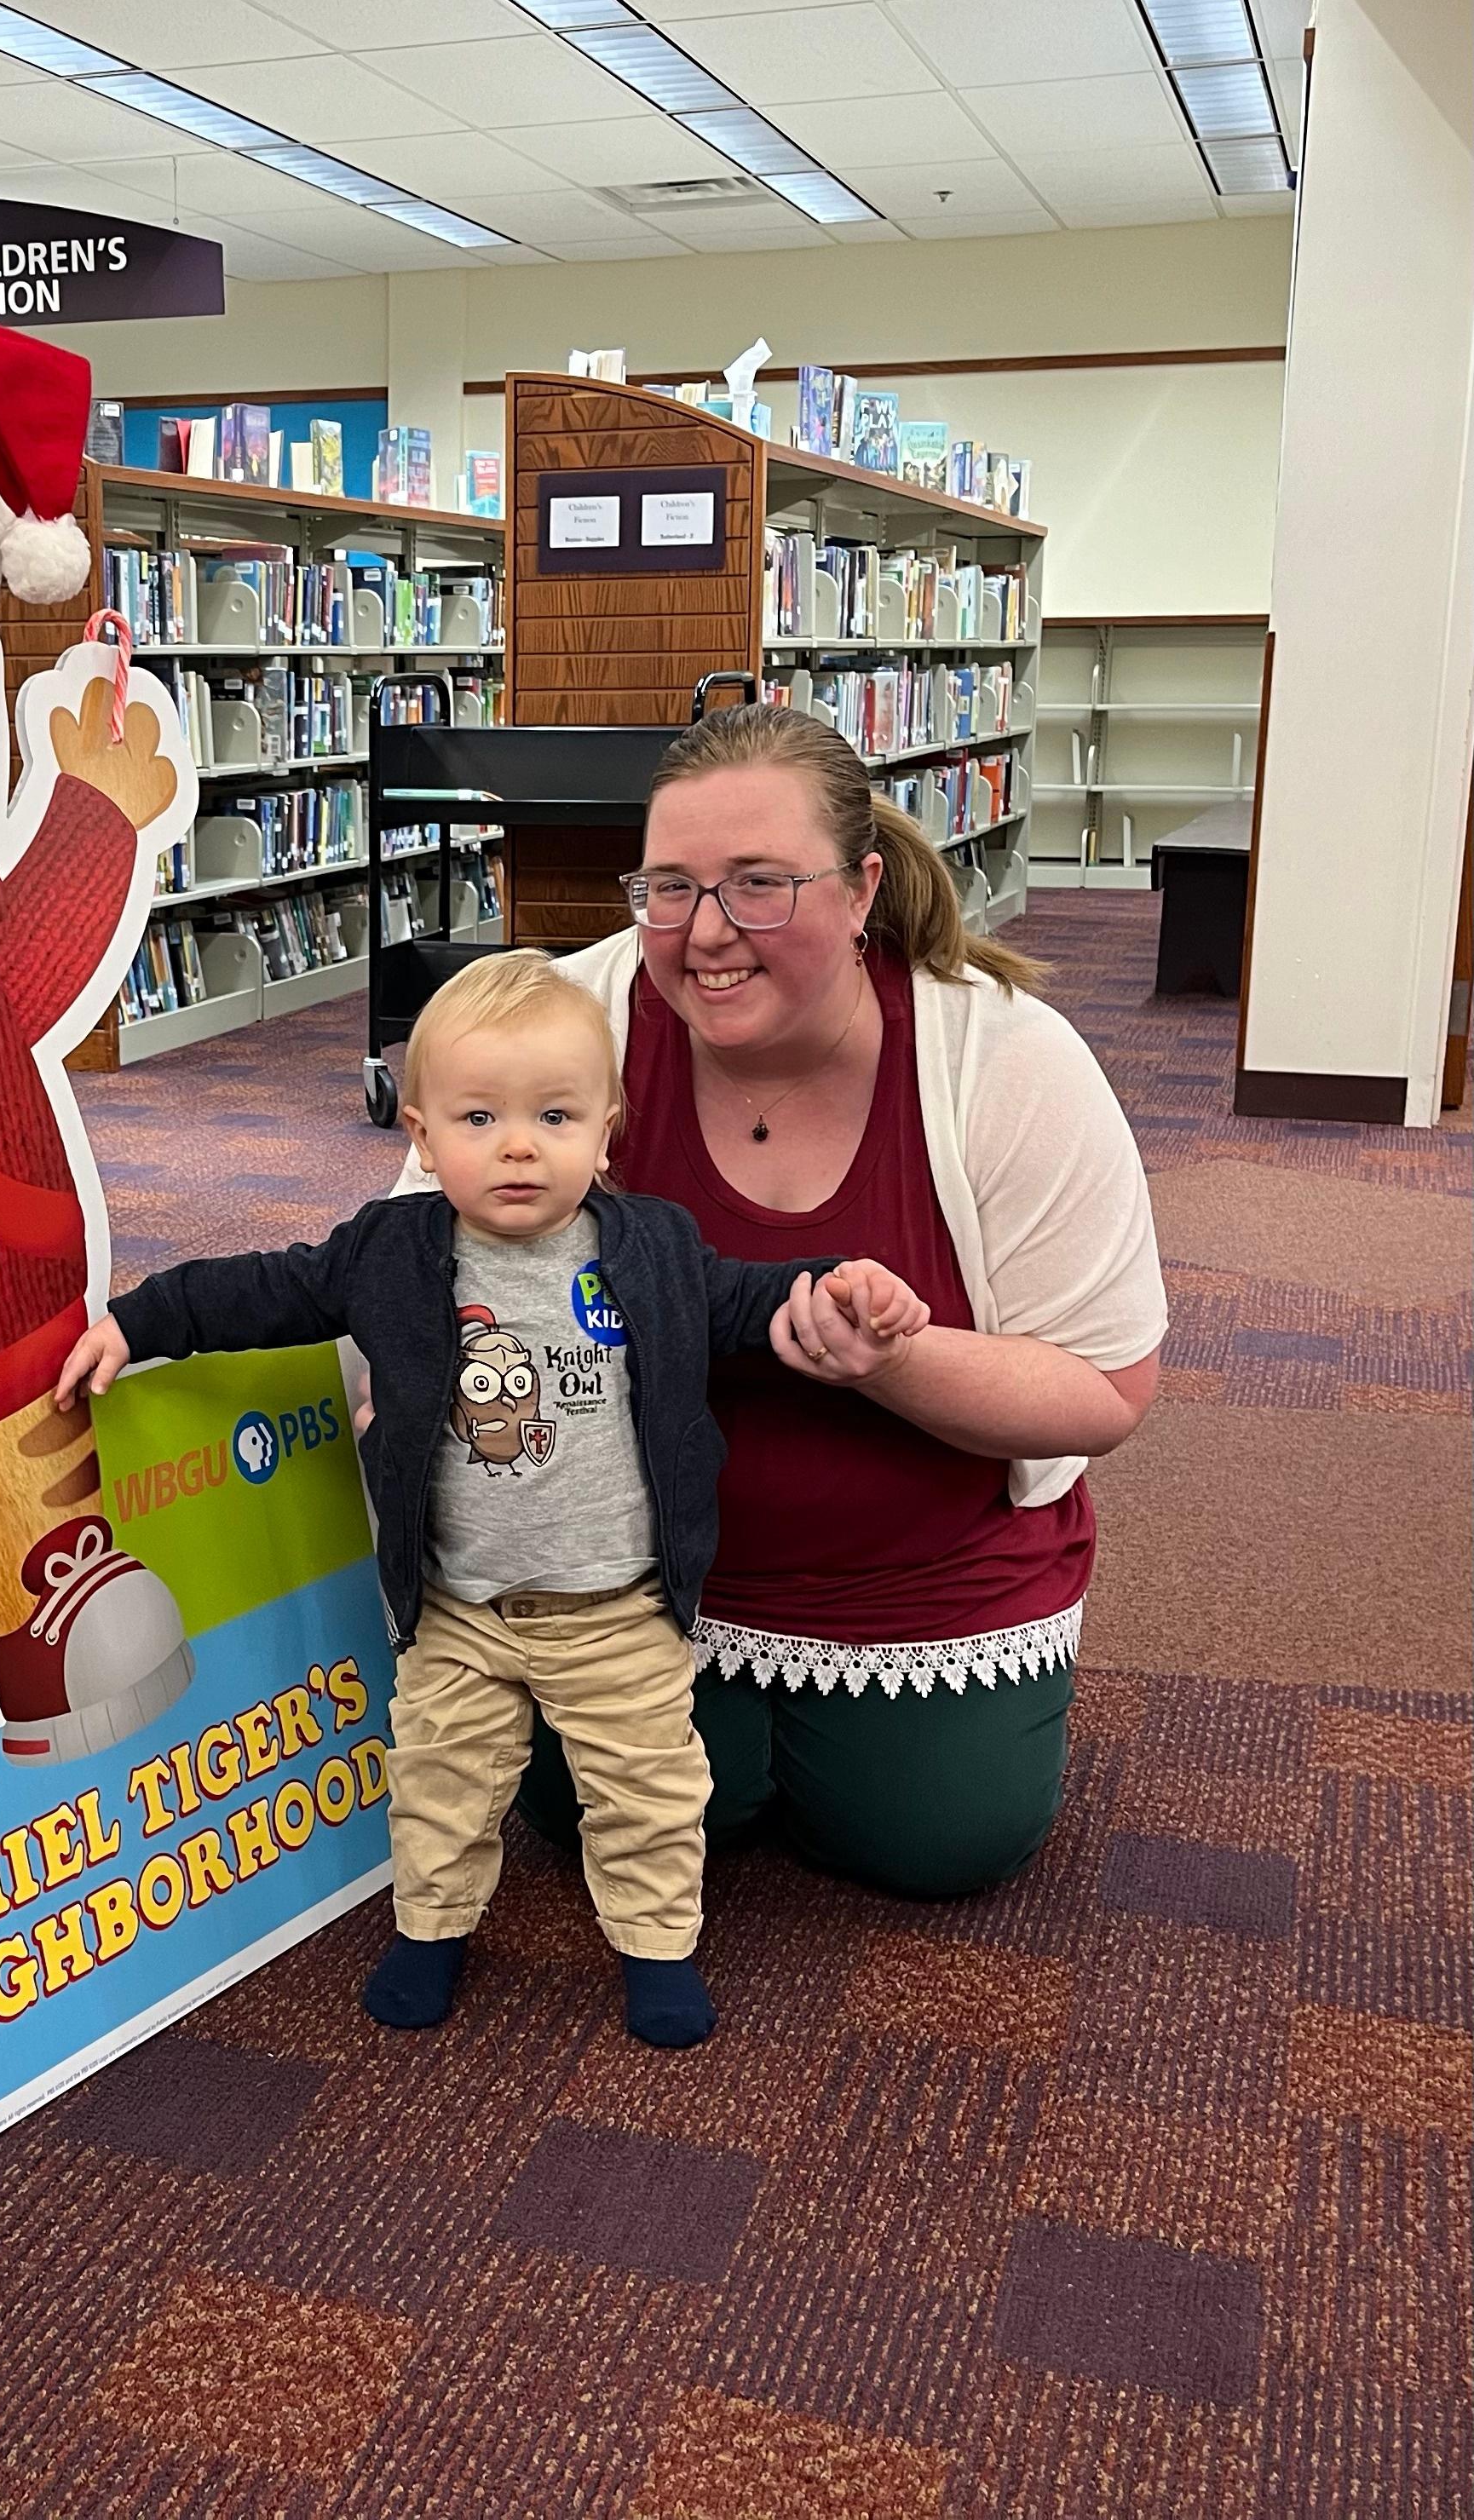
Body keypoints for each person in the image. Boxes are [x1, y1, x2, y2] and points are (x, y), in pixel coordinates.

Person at [58, 952, 930, 2044]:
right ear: (420, 1135)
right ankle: (430, 1933)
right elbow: (266, 1287)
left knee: (652, 1795)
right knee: (437, 1786)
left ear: (607, 1129)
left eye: (555, 1116)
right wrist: (140, 1321)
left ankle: (658, 1951)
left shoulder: (652, 1246)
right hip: (461, 1612)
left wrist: (845, 1281)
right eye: (478, 1118)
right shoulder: (390, 1251)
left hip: (617, 1608)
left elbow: (757, 1300)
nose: (518, 1145)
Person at [406, 705, 1165, 1897]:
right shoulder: (572, 1017)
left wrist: (888, 1362)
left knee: (934, 1844)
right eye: (666, 887)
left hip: (922, 1578)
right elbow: (407, 1262)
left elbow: (1103, 1390)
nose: (705, 934)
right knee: (569, 1812)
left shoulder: (1003, 1059)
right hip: (617, 1573)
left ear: (860, 888)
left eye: (758, 884)